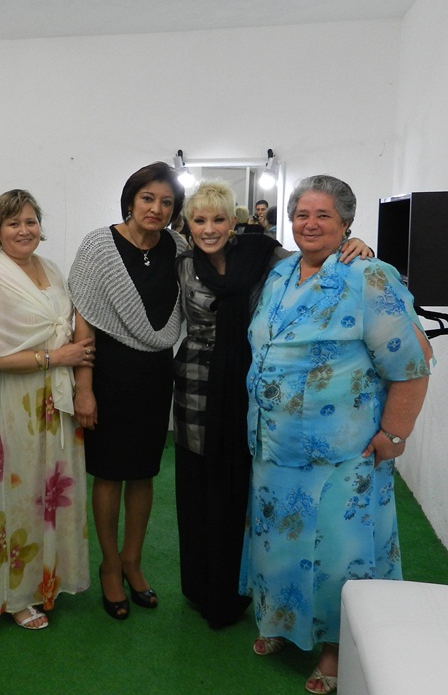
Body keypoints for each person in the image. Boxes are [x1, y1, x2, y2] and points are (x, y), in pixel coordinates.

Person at [242, 175, 432, 694]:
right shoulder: (281, 273)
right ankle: (283, 621)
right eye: (302, 214)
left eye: (323, 215)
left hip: (340, 454)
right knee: (279, 543)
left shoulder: (369, 277)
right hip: (274, 445)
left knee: (336, 553)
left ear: (346, 223)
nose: (310, 224)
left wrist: (395, 434)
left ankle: (337, 646)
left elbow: (413, 364)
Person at [174, 182, 373, 630]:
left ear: (234, 222)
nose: (209, 229)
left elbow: (315, 258)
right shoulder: (182, 263)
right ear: (188, 225)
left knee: (241, 487)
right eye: (199, 220)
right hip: (196, 386)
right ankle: (200, 587)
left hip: (250, 386)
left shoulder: (265, 256)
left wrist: (356, 243)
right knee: (196, 487)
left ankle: (236, 591)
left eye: (218, 219)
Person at [69, 161, 187, 620]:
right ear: (131, 200)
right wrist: (84, 388)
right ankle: (110, 566)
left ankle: (133, 561)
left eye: (166, 202)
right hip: (108, 373)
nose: (156, 208)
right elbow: (83, 318)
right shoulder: (99, 245)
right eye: (147, 198)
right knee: (108, 474)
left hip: (155, 374)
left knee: (143, 473)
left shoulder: (179, 247)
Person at [0, 190, 92, 629]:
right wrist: (56, 357)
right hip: (16, 402)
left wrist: (74, 372)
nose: (24, 231)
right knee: (21, 496)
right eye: (13, 223)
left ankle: (49, 581)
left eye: (30, 221)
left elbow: (74, 325)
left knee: (54, 490)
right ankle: (16, 596)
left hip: (57, 399)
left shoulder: (52, 268)